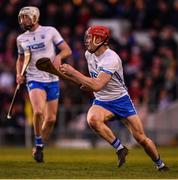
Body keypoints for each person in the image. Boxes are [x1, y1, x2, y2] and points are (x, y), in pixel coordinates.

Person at [59, 25, 169, 171]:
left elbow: (97, 84)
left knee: (141, 138)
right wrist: (83, 82)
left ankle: (160, 164)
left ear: (99, 39)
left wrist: (73, 72)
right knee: (92, 120)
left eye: (90, 38)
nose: (87, 41)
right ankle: (120, 148)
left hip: (121, 100)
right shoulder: (88, 54)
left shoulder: (112, 58)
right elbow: (93, 82)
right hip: (102, 101)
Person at [16, 6, 72, 163]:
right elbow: (20, 60)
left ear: (34, 17)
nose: (23, 20)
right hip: (34, 79)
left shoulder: (50, 31)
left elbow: (67, 50)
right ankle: (39, 144)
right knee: (39, 111)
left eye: (25, 17)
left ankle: (39, 146)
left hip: (52, 78)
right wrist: (19, 74)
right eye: (21, 18)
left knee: (51, 119)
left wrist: (59, 57)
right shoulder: (21, 39)